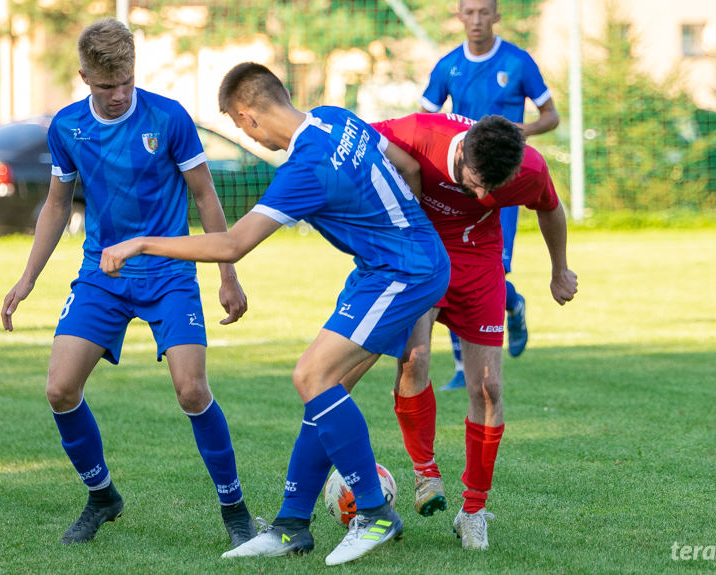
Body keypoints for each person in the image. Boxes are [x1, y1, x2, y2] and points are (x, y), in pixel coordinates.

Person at [98, 62, 451, 566]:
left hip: (402, 273)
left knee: (311, 375)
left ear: (249, 118)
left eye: (242, 128)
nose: (249, 136)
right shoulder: (337, 118)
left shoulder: (304, 168)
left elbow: (233, 244)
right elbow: (410, 169)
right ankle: (290, 527)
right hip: (397, 265)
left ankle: (373, 512)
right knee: (327, 390)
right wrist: (403, 234)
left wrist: (144, 243)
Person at [0, 18, 255, 548]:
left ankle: (235, 510)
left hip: (169, 274)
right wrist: (26, 280)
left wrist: (226, 277)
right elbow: (54, 205)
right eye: (104, 86)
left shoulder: (169, 117)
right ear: (84, 77)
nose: (117, 96)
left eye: (125, 84)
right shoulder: (67, 128)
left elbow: (205, 197)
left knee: (191, 390)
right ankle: (102, 496)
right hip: (102, 275)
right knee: (59, 388)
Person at [368, 112, 577, 550]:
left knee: (489, 389)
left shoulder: (529, 167)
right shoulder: (417, 133)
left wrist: (559, 270)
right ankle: (425, 472)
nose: (483, 195)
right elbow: (352, 144)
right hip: (421, 249)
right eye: (475, 181)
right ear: (460, 151)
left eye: (494, 188)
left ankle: (474, 511)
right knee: (415, 359)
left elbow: (551, 209)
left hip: (480, 259)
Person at [420, 0, 561, 389]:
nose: (477, 20)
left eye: (485, 12)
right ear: (459, 15)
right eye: (470, 12)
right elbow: (426, 118)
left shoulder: (518, 62)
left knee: (492, 272)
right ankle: (464, 369)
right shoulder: (447, 66)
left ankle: (512, 304)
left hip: (502, 183)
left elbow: (551, 115)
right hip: (458, 182)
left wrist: (521, 132)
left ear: (496, 15)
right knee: (449, 268)